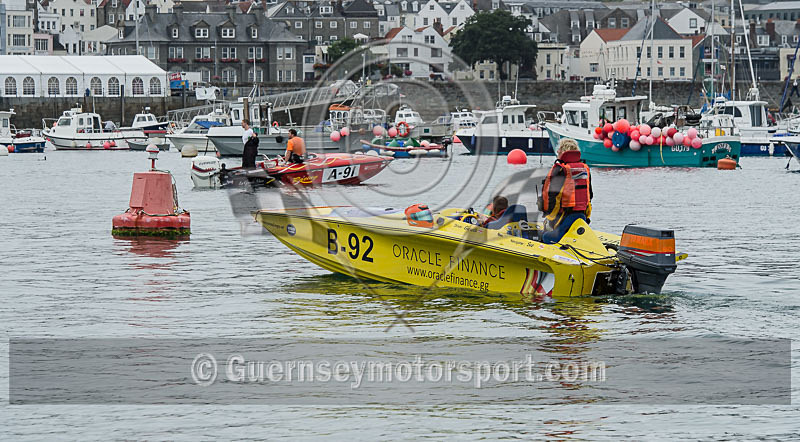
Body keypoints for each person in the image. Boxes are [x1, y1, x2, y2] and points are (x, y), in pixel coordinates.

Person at [539, 138, 593, 245]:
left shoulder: (560, 170)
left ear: (563, 151)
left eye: (559, 150)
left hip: (563, 217)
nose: (557, 152)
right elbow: (589, 195)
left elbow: (551, 198)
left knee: (545, 237)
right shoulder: (585, 169)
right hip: (581, 217)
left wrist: (548, 216)